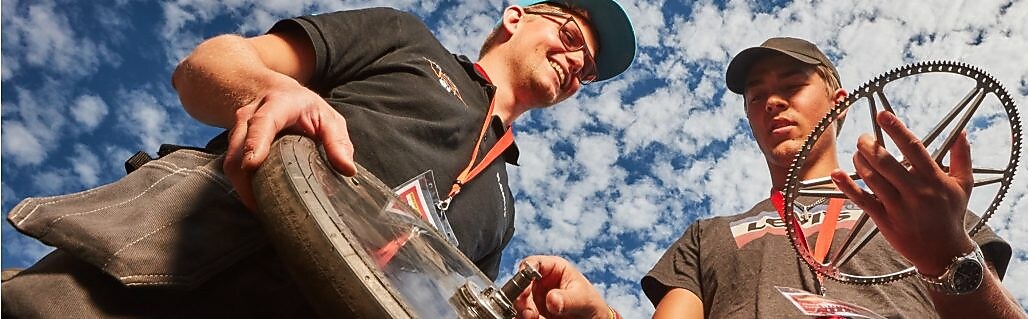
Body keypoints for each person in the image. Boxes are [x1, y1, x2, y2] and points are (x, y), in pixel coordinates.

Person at [2, 0, 635, 317]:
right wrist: (271, 90)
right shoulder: (407, 43)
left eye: (591, 70)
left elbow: (442, 304)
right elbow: (206, 68)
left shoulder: (501, 206)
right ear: (515, 16)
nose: (579, 62)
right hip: (150, 283)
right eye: (572, 35)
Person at [517, 37, 1025, 318]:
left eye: (792, 84)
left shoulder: (926, 210)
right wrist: (595, 317)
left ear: (839, 102)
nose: (771, 100)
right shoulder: (706, 236)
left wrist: (947, 255)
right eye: (756, 94)